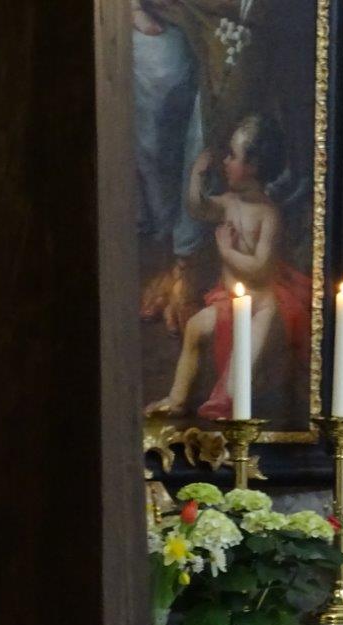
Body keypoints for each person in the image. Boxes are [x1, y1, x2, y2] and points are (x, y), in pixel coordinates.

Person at [146, 114, 309, 421]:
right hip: (230, 301)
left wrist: (226, 251)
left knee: (238, 378)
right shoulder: (229, 202)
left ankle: (230, 413)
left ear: (253, 167)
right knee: (195, 328)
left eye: (232, 156)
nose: (225, 161)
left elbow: (260, 268)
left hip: (262, 308)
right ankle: (177, 399)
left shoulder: (268, 214)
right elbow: (198, 208)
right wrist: (196, 176)